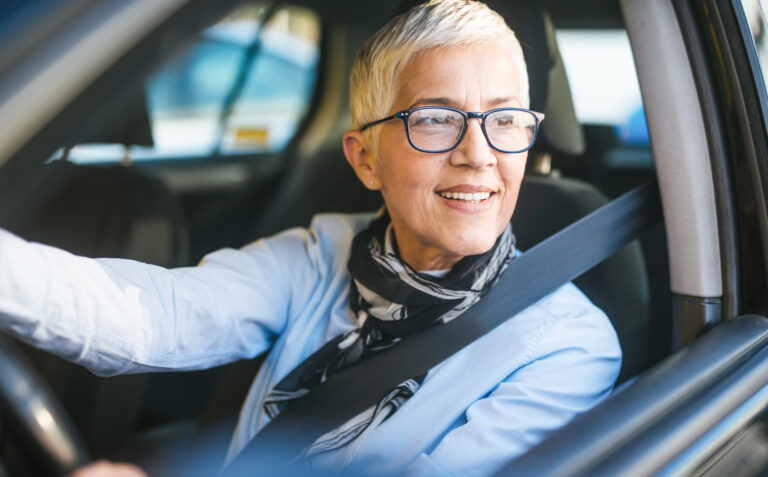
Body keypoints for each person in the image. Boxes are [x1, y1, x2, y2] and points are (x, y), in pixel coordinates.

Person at [0, 0, 621, 475]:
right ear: (364, 159)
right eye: (435, 119)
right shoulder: (322, 252)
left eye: (505, 120)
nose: (478, 154)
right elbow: (155, 316)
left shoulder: (566, 347)